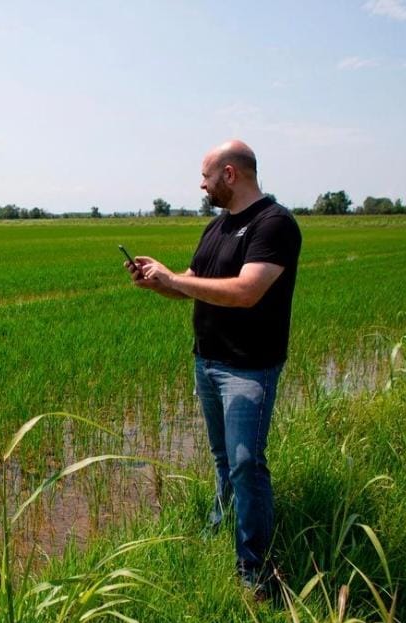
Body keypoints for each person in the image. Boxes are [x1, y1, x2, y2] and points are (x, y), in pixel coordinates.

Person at [126, 139, 301, 595]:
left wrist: (175, 278)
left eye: (205, 176)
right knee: (224, 460)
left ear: (230, 174)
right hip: (207, 361)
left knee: (247, 463)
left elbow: (246, 291)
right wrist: (159, 283)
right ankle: (219, 526)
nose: (200, 185)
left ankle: (255, 571)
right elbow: (193, 285)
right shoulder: (217, 227)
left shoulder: (274, 224)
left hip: (249, 368)